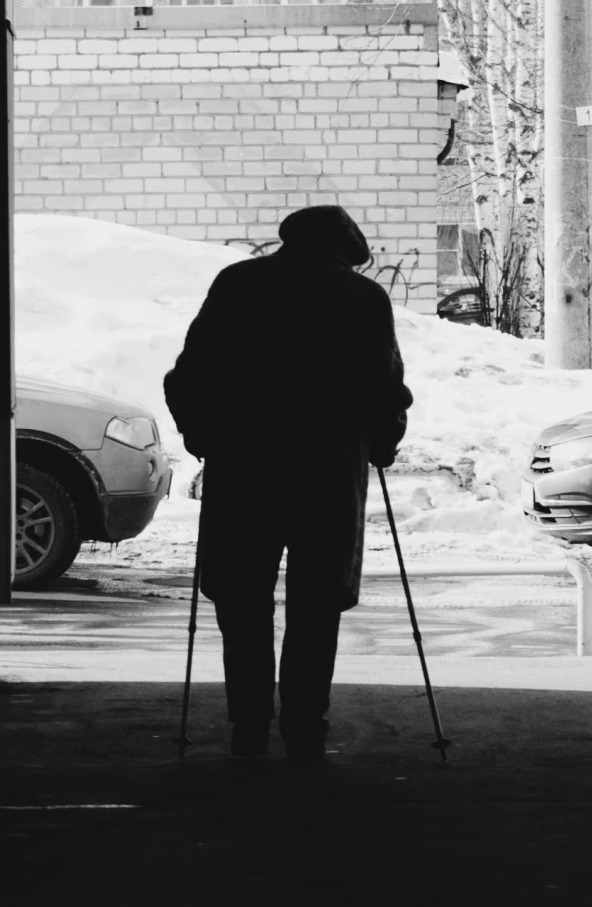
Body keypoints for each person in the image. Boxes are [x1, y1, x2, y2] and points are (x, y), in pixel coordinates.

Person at [164, 205, 412, 767]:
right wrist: (382, 443)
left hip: (245, 467)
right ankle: (305, 728)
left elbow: (188, 375)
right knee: (317, 604)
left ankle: (247, 728)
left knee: (243, 603)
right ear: (347, 250)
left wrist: (203, 433)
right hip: (327, 471)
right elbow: (385, 386)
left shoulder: (239, 284)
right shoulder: (361, 298)